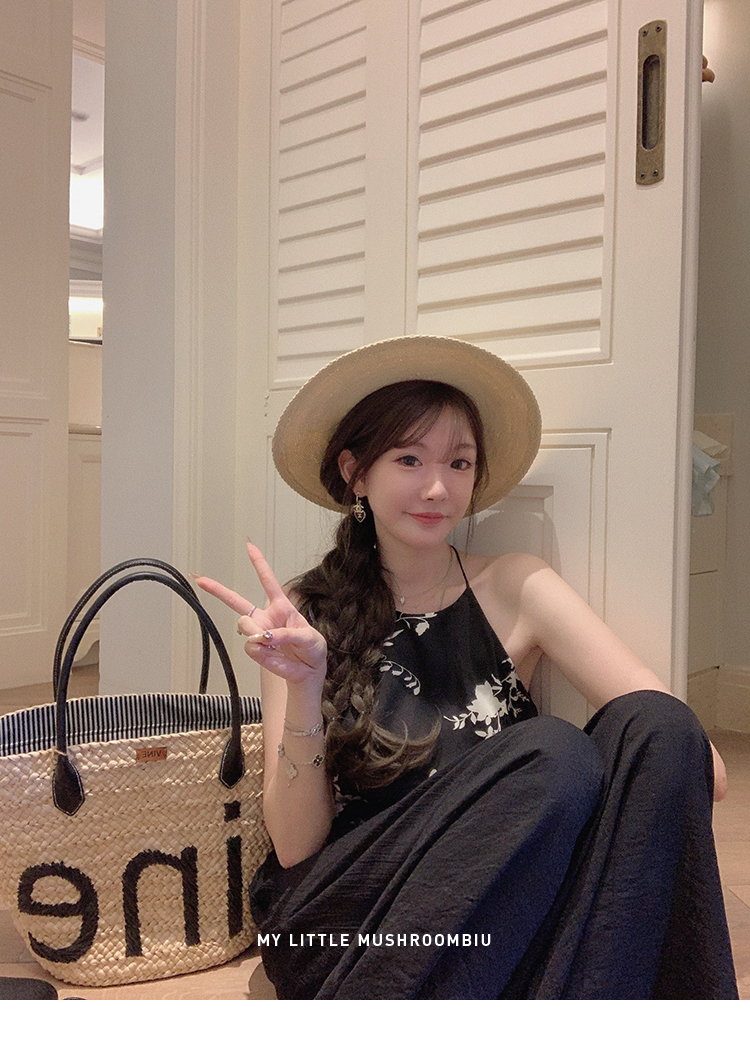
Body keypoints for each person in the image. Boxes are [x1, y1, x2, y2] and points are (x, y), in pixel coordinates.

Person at [197, 335, 736, 1000]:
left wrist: (656, 754)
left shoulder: (516, 586)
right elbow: (295, 848)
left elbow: (698, 765)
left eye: (458, 462)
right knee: (553, 752)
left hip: (496, 912)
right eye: (408, 459)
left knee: (655, 723)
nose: (436, 487)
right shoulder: (307, 614)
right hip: (348, 919)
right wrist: (305, 685)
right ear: (356, 472)